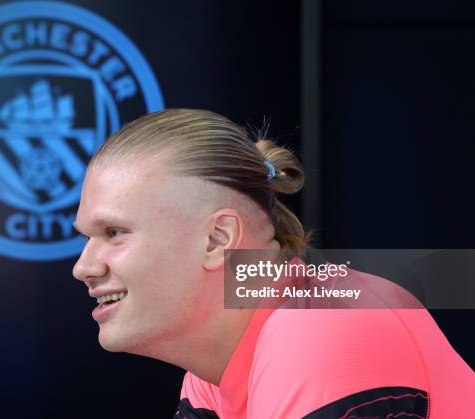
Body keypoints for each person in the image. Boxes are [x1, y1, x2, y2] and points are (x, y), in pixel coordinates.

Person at [72, 108, 474, 418]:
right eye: (87, 237)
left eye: (114, 232)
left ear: (217, 239)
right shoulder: (212, 370)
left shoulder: (322, 328)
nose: (84, 267)